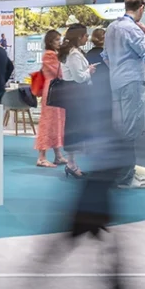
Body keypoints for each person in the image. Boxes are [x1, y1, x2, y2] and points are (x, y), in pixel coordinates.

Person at [104, 0, 145, 190]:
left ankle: (123, 174)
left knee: (120, 129)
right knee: (130, 130)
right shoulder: (133, 29)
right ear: (142, 7)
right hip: (131, 82)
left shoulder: (111, 27)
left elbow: (105, 57)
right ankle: (126, 177)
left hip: (115, 81)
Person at [59, 24, 97, 179]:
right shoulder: (73, 54)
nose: (87, 38)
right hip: (76, 95)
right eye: (85, 35)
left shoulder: (73, 53)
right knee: (74, 128)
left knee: (74, 128)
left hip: (75, 95)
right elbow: (79, 77)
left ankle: (72, 163)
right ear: (79, 37)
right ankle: (71, 163)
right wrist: (89, 71)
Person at [35, 30, 66, 168]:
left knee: (56, 122)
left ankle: (58, 155)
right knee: (48, 123)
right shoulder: (50, 55)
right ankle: (41, 157)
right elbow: (58, 72)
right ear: (50, 42)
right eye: (56, 40)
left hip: (56, 90)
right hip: (52, 90)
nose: (59, 42)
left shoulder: (53, 55)